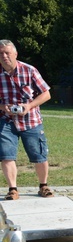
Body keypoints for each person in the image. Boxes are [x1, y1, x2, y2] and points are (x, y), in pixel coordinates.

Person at [0, 39, 54, 200]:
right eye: (1, 53)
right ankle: (12, 189)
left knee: (39, 155)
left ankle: (43, 186)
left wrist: (29, 106)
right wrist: (3, 107)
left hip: (31, 120)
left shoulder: (29, 70)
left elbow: (46, 93)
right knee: (6, 155)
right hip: (5, 120)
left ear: (15, 54)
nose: (4, 56)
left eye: (7, 53)